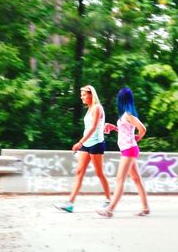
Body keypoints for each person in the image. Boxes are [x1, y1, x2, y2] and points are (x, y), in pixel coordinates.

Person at [54, 85, 111, 213]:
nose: (82, 97)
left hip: (96, 144)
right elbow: (92, 127)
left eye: (84, 94)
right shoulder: (90, 108)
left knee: (99, 173)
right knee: (79, 172)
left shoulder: (97, 108)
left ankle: (108, 201)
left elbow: (93, 128)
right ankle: (70, 204)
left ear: (91, 95)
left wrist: (80, 142)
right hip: (86, 144)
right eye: (81, 95)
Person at [96, 87, 149, 218]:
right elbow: (126, 132)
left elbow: (142, 129)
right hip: (128, 149)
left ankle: (110, 210)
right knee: (136, 179)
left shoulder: (128, 115)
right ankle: (146, 207)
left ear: (121, 99)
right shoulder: (125, 114)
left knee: (120, 179)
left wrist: (137, 138)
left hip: (129, 150)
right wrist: (114, 127)